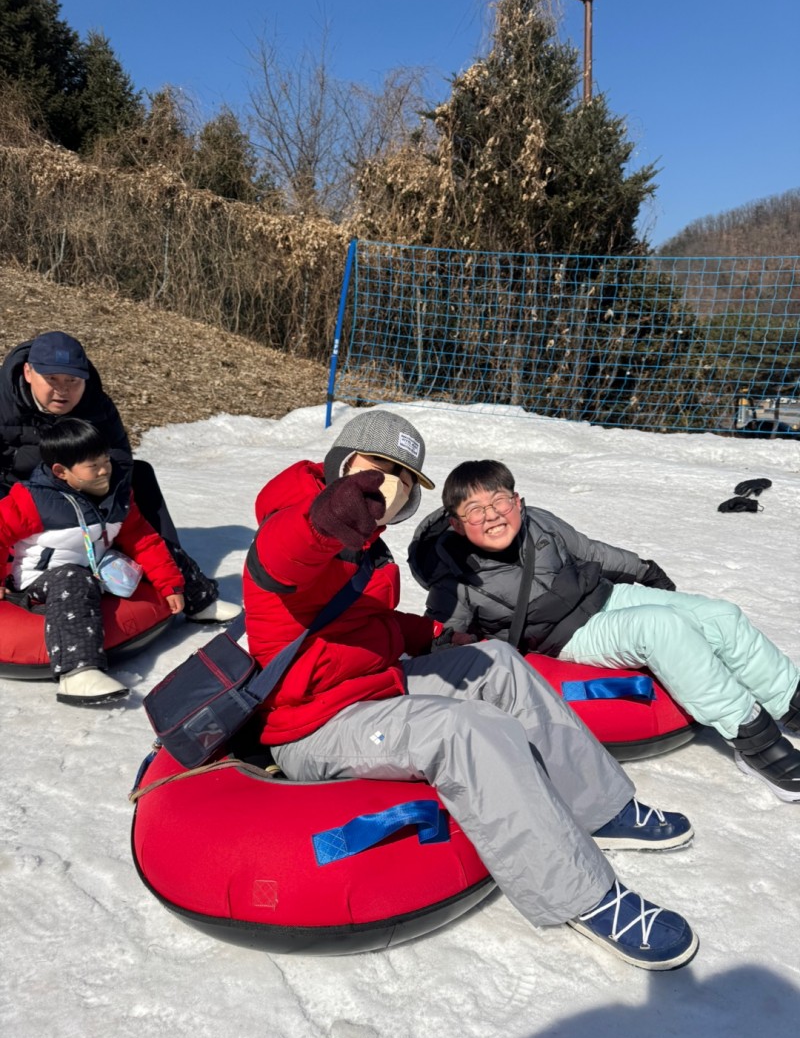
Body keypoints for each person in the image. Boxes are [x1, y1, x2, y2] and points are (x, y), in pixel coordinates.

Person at [243, 409, 698, 971]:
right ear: (341, 463)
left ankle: (601, 807)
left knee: (497, 662)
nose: (386, 483)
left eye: (403, 476)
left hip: (369, 688)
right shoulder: (300, 524)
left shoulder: (369, 546)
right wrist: (321, 522)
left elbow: (356, 622)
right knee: (467, 729)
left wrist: (429, 633)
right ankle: (585, 897)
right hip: (315, 723)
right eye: (375, 466)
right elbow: (280, 561)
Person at [408, 458, 800, 803]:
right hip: (569, 635)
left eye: (499, 502)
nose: (492, 515)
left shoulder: (540, 521)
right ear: (458, 525)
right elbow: (442, 633)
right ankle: (753, 739)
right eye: (475, 510)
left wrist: (645, 571)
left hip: (608, 595)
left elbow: (591, 551)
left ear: (518, 502)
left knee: (720, 615)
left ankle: (788, 699)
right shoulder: (455, 578)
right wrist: (449, 647)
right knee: (662, 627)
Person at [0, 331, 240, 623]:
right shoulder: (4, 405)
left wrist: (98, 487)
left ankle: (171, 573)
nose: (62, 390)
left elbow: (120, 456)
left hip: (84, 487)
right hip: (18, 490)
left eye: (72, 381)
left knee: (140, 476)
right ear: (28, 372)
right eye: (52, 380)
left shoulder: (97, 405)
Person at [0, 417, 185, 705]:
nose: (104, 471)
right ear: (61, 471)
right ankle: (78, 672)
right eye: (93, 466)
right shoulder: (33, 501)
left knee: (164, 550)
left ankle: (203, 601)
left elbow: (142, 539)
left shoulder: (115, 496)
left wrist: (171, 585)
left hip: (94, 568)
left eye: (106, 461)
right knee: (72, 575)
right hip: (42, 581)